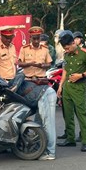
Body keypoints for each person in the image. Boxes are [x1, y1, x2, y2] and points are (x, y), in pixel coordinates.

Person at [18, 26, 57, 160]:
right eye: (34, 38)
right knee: (38, 121)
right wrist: (30, 63)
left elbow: (49, 64)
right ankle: (41, 147)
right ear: (30, 38)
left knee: (48, 123)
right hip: (29, 82)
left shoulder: (45, 49)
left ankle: (50, 152)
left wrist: (41, 65)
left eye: (38, 38)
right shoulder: (24, 49)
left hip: (42, 85)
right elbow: (19, 63)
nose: (36, 41)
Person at [56, 32, 86, 152]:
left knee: (81, 114)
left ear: (73, 43)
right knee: (67, 114)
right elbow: (65, 71)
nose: (66, 50)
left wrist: (81, 75)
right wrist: (60, 86)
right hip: (67, 87)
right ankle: (70, 139)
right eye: (65, 49)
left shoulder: (85, 53)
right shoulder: (67, 55)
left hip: (79, 87)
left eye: (67, 48)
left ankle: (85, 140)